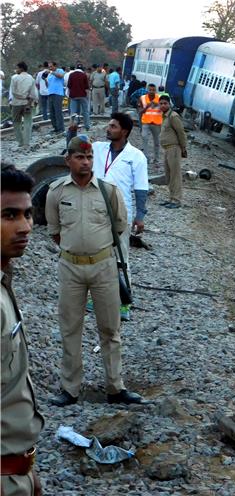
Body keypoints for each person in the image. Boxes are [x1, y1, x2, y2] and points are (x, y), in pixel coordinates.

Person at [45, 136, 145, 407]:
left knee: (110, 329)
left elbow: (120, 225)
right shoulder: (56, 192)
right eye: (80, 157)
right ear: (68, 160)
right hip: (71, 268)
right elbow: (54, 231)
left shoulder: (108, 190)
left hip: (104, 267)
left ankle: (115, 388)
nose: (86, 162)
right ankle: (70, 390)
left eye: (89, 158)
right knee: (70, 328)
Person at [1, 165, 45, 496]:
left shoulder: (4, 283)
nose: (25, 227)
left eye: (27, 214)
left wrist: (27, 474)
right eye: (9, 215)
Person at [92, 112, 149, 320]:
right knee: (98, 255)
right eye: (108, 125)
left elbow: (141, 189)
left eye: (113, 126)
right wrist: (71, 131)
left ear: (124, 131)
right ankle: (98, 298)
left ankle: (124, 302)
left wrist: (140, 216)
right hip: (96, 209)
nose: (108, 129)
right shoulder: (99, 149)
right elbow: (75, 148)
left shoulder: (136, 157)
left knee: (121, 257)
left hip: (121, 212)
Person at [158, 95, 187, 208]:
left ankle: (176, 200)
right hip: (167, 149)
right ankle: (171, 198)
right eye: (161, 103)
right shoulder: (165, 117)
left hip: (174, 149)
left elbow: (181, 133)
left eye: (165, 103)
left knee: (175, 175)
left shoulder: (173, 116)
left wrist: (183, 148)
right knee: (168, 175)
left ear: (169, 104)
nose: (163, 105)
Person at [9, 62, 38, 151]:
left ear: (21, 69)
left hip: (16, 103)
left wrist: (22, 96)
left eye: (17, 68)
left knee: (16, 122)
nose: (16, 70)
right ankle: (27, 143)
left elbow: (13, 92)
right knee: (28, 123)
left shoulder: (15, 78)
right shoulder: (31, 79)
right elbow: (33, 94)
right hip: (28, 104)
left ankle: (20, 142)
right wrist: (29, 100)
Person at [137, 84, 163, 165]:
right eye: (150, 90)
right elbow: (139, 111)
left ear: (156, 90)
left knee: (157, 142)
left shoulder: (160, 98)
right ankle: (146, 158)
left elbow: (166, 109)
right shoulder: (142, 98)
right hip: (146, 122)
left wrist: (158, 105)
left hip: (157, 123)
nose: (151, 91)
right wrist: (146, 107)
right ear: (147, 90)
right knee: (145, 139)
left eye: (153, 90)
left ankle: (156, 159)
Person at [65, 64, 90, 132]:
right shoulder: (84, 75)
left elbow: (69, 86)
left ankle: (72, 126)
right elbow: (86, 87)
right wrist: (87, 96)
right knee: (85, 111)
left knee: (73, 112)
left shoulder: (71, 75)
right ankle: (87, 126)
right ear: (82, 69)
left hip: (73, 96)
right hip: (82, 95)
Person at [46, 62, 65, 133]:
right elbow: (48, 84)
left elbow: (60, 76)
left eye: (51, 66)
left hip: (58, 93)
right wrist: (44, 79)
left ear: (55, 66)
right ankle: (55, 127)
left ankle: (61, 128)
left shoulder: (60, 70)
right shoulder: (49, 74)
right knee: (52, 112)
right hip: (50, 93)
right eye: (49, 67)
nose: (50, 68)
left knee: (58, 112)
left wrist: (51, 72)